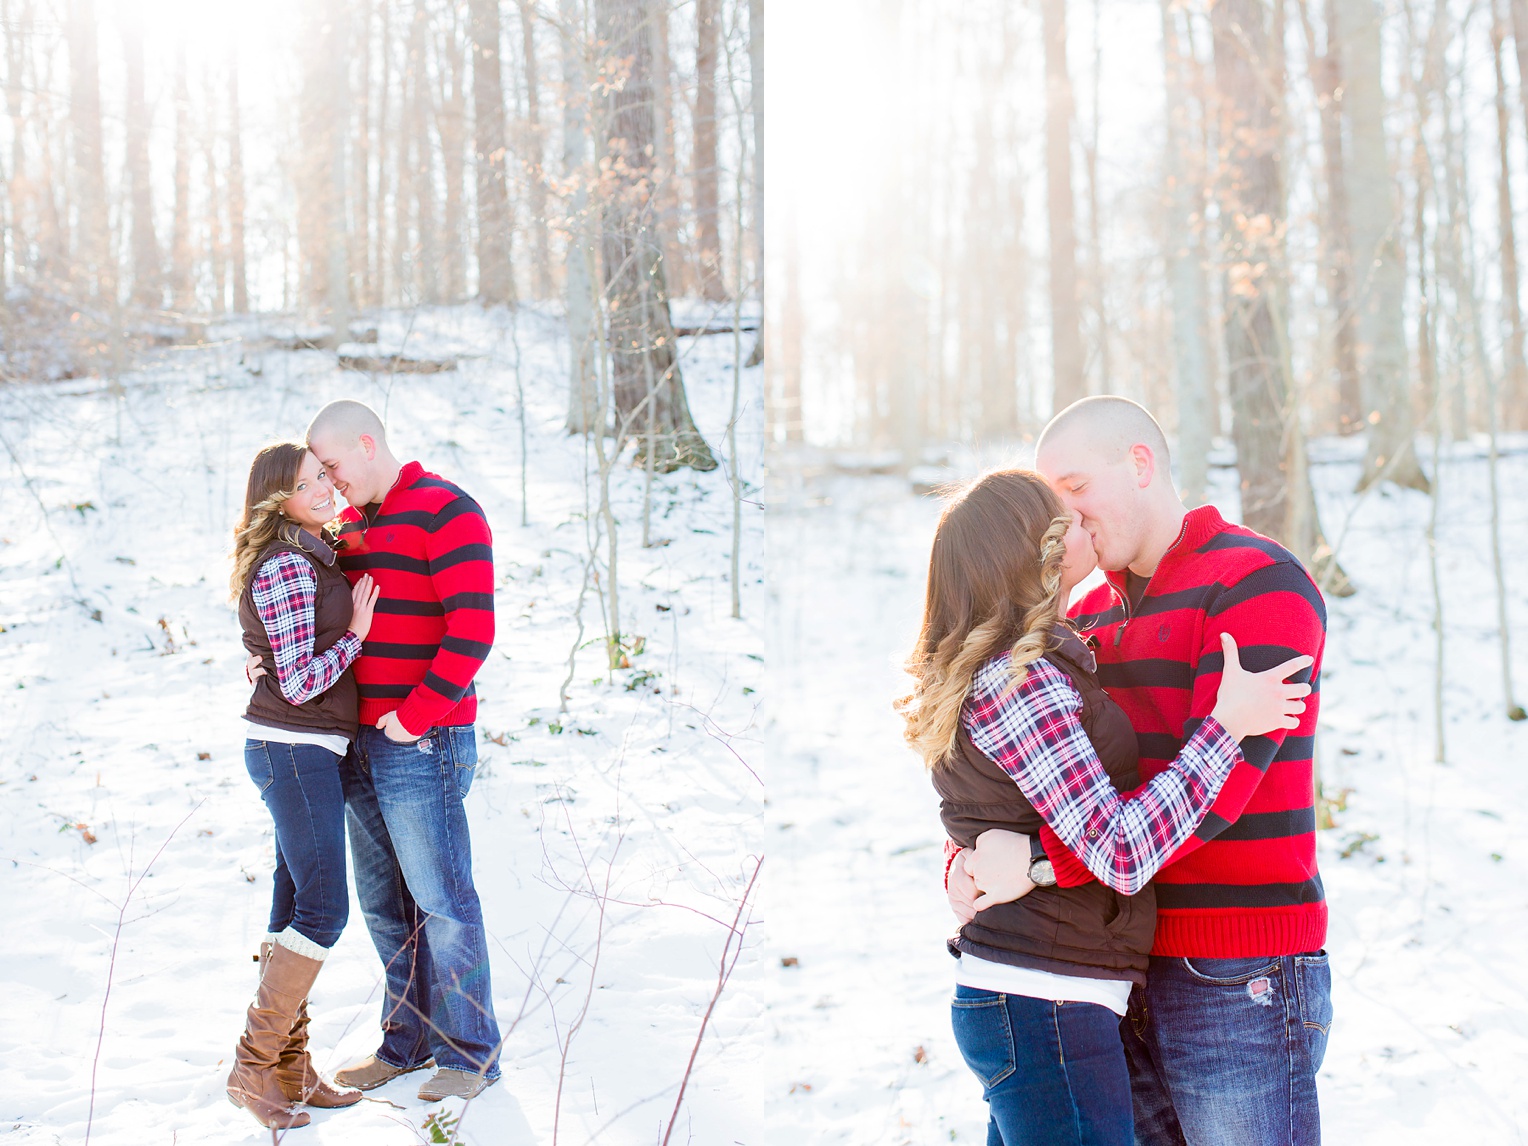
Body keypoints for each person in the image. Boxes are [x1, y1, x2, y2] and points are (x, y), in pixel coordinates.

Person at [949, 397, 1332, 1145]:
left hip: (1236, 971)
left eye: (1075, 487)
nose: (1066, 518)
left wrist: (1032, 864)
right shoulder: (1082, 616)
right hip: (1110, 970)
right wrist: (967, 860)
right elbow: (1046, 779)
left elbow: (1219, 793)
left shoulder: (1260, 584)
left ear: (1140, 462)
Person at [308, 400, 503, 1102]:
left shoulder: (447, 509)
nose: (328, 482)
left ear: (366, 444)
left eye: (331, 466)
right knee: (386, 906)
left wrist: (413, 720)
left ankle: (470, 1054)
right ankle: (407, 1042)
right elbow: (301, 597)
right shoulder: (348, 527)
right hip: (356, 744)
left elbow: (472, 630)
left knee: (442, 901)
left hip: (421, 742)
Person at [227, 442, 379, 1129]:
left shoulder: (310, 551)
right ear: (276, 501)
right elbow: (298, 680)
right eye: (306, 483)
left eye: (324, 475)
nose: (323, 488)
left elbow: (275, 658)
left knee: (295, 910)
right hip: (293, 751)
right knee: (322, 912)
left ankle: (289, 1069)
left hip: (306, 750)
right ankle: (252, 1066)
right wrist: (356, 634)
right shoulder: (288, 563)